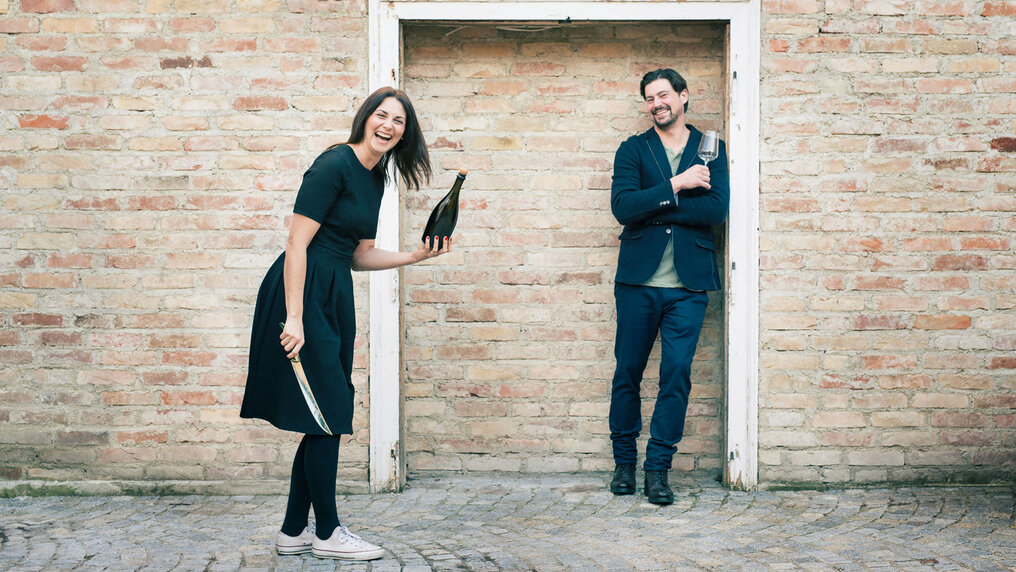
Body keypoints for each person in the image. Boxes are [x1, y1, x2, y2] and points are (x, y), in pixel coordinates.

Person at [240, 87, 450, 560]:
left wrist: (413, 256)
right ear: (365, 118)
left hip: (334, 291)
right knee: (330, 410)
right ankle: (328, 532)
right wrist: (293, 317)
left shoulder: (376, 179)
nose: (389, 126)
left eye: (399, 121)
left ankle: (294, 530)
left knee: (323, 415)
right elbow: (297, 244)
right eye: (382, 115)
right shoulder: (333, 165)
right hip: (301, 290)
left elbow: (358, 253)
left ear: (405, 133)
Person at [607, 69, 730, 505]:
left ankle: (657, 470)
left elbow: (716, 210)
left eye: (663, 95)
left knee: (675, 376)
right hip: (638, 283)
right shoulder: (633, 149)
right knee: (628, 372)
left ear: (683, 96)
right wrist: (678, 185)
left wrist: (655, 205)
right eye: (648, 98)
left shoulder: (710, 148)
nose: (656, 103)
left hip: (688, 287)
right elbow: (623, 207)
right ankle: (624, 463)